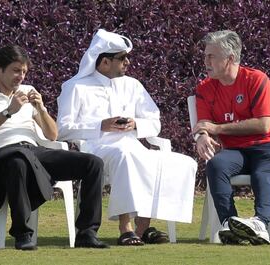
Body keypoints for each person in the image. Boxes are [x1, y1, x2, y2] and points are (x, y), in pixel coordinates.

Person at [57, 29, 197, 246]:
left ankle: (143, 228)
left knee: (181, 162)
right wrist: (100, 126)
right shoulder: (75, 87)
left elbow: (155, 121)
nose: (128, 62)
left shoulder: (133, 85)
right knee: (127, 155)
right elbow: (63, 129)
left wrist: (136, 124)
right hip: (96, 149)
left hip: (132, 144)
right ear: (104, 62)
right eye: (122, 58)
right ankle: (126, 228)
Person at [0, 45, 109, 250]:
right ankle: (23, 235)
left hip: (35, 153)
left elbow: (52, 135)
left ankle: (87, 233)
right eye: (16, 70)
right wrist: (8, 112)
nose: (21, 76)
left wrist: (40, 109)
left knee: (93, 163)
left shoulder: (27, 91)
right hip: (4, 156)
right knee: (17, 162)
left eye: (24, 71)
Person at [193, 30, 270, 245]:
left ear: (229, 58)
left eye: (211, 56)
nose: (205, 61)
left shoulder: (257, 79)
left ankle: (260, 224)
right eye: (205, 55)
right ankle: (230, 225)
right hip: (236, 151)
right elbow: (203, 125)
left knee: (262, 175)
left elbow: (263, 125)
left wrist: (217, 129)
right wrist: (201, 136)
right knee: (216, 165)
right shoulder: (205, 88)